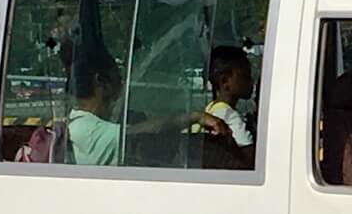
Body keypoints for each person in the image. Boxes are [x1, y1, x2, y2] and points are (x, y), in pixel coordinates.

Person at [66, 51, 231, 167]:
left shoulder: (85, 121)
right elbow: (145, 131)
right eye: (117, 74)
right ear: (100, 81)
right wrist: (195, 116)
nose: (121, 81)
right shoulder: (87, 130)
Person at [198, 45, 256, 166]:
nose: (251, 81)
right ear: (225, 81)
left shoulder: (211, 109)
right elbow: (251, 157)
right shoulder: (230, 116)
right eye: (246, 76)